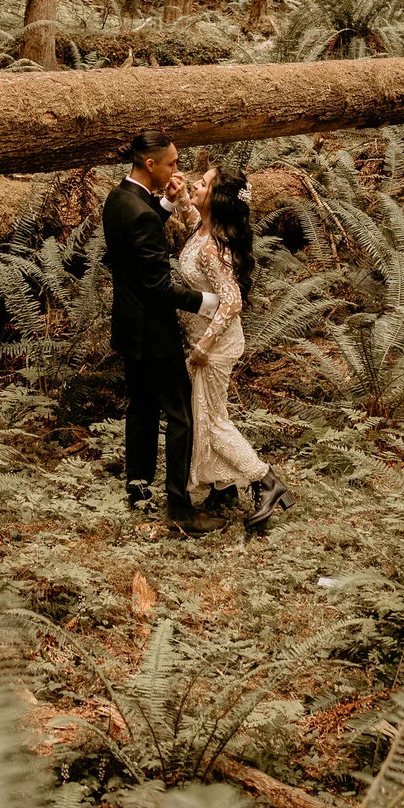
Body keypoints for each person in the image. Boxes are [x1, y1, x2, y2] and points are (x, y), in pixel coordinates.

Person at [101, 131, 221, 532]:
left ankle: (137, 493)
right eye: (170, 163)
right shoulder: (139, 212)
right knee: (180, 414)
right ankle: (180, 507)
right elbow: (157, 285)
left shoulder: (118, 199)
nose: (176, 169)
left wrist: (168, 201)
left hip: (128, 324)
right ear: (149, 165)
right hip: (154, 332)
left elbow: (138, 238)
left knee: (140, 409)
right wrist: (207, 303)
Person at [176, 166, 294, 533]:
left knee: (213, 422)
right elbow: (189, 215)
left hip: (215, 346)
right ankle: (223, 488)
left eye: (204, 183)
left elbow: (232, 301)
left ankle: (267, 481)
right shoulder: (203, 226)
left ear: (218, 199)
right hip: (206, 341)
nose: (197, 182)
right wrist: (179, 194)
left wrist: (203, 348)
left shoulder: (214, 247)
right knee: (206, 414)